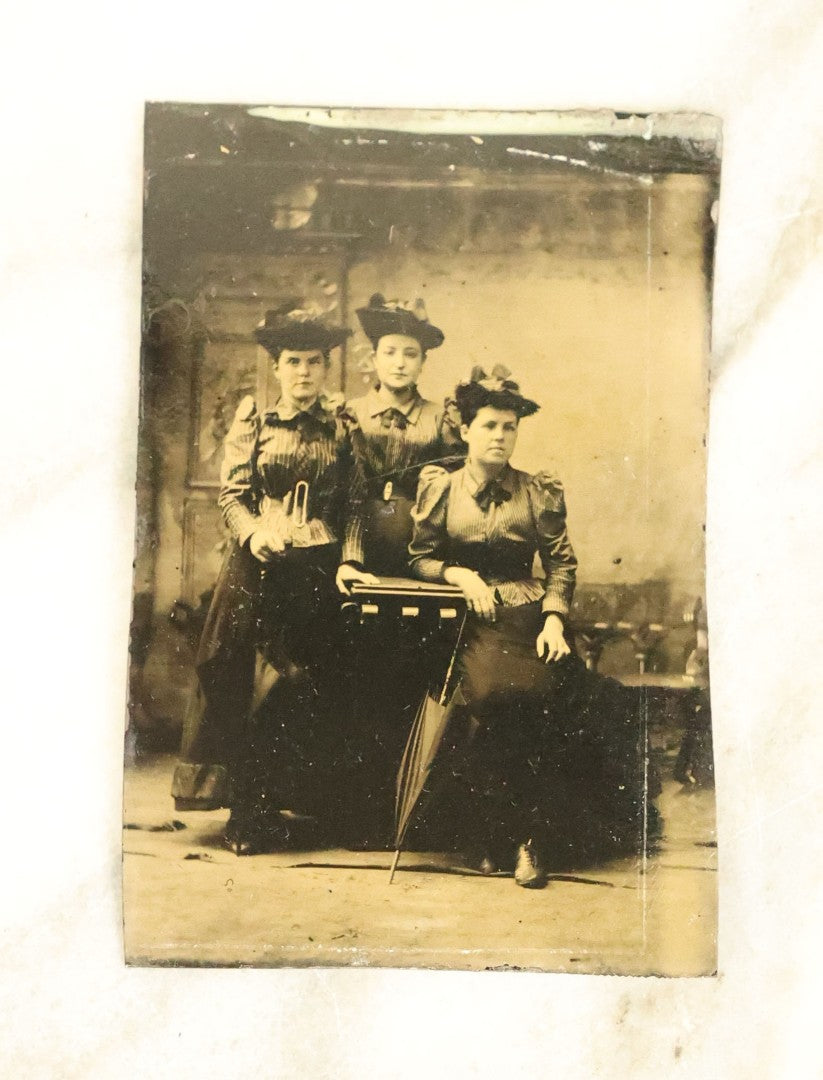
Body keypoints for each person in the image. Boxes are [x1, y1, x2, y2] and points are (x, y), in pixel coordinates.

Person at [408, 366, 659, 888]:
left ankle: (528, 839)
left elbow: (562, 565)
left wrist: (553, 620)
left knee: (548, 697)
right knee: (497, 697)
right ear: (466, 430)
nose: (500, 436)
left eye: (509, 427)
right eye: (489, 426)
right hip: (467, 621)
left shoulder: (536, 491)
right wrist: (459, 573)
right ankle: (489, 833)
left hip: (529, 620)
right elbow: (422, 558)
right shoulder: (441, 487)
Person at [172, 301, 353, 855]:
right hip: (258, 568)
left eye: (314, 362)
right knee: (250, 683)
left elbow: (353, 504)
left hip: (317, 568)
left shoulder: (341, 427)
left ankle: (284, 801)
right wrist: (254, 533)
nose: (304, 372)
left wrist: (348, 559)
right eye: (293, 361)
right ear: (277, 366)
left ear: (326, 368)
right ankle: (246, 813)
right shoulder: (255, 420)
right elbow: (232, 493)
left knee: (300, 687)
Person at [332, 294, 465, 843]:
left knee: (422, 673)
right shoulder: (351, 415)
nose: (400, 362)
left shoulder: (441, 419)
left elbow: (457, 494)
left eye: (411, 353)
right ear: (374, 357)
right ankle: (364, 812)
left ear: (422, 361)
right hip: (367, 558)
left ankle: (421, 814)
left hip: (423, 556)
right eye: (390, 351)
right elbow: (348, 498)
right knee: (366, 678)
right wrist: (350, 559)